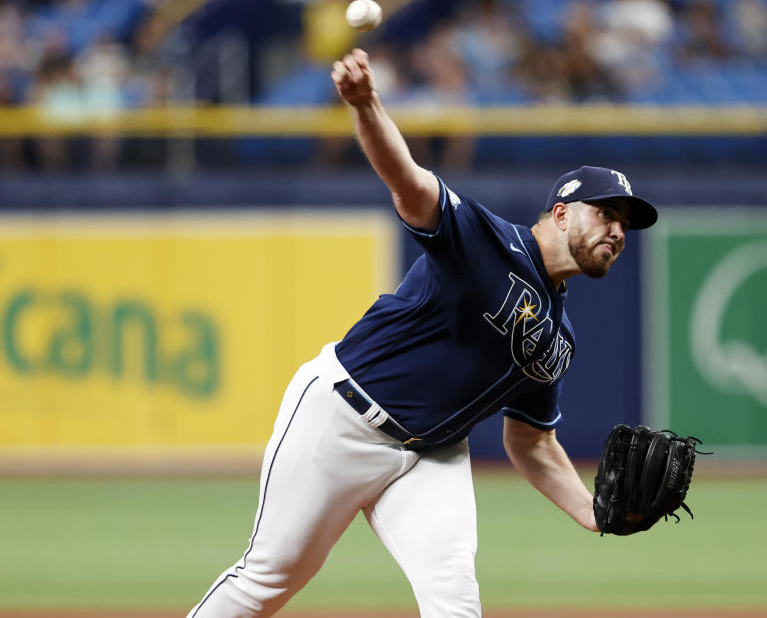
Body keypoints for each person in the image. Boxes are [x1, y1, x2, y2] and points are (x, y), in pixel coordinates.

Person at [187, 48, 658, 618]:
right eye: (605, 213)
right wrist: (366, 106)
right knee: (269, 579)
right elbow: (409, 184)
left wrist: (592, 510)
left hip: (430, 456)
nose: (617, 229)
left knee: (455, 600)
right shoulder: (488, 240)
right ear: (561, 213)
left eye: (624, 223)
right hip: (343, 418)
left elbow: (530, 441)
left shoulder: (559, 337)